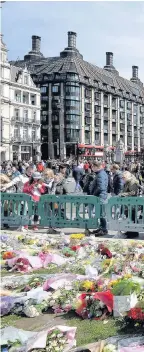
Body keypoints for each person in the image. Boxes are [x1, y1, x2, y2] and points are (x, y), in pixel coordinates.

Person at [90, 161, 108, 236]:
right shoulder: (100, 173)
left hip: (100, 196)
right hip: (100, 195)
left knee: (101, 213)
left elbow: (101, 187)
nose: (92, 169)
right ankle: (101, 228)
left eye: (93, 167)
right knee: (99, 213)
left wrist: (94, 193)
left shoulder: (100, 174)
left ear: (97, 167)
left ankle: (103, 229)